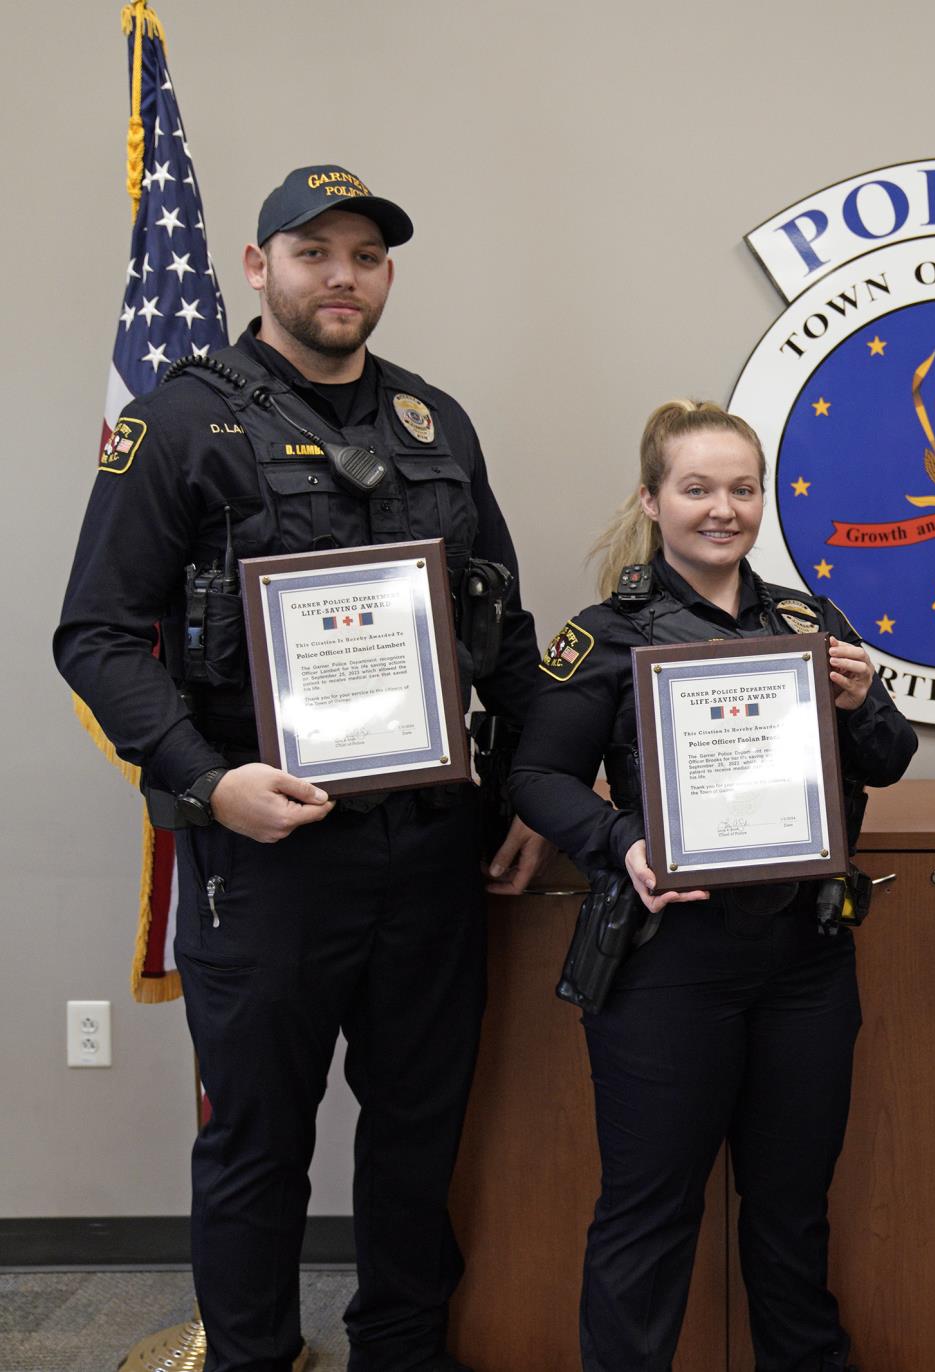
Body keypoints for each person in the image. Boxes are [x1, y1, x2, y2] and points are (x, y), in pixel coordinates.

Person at [54, 165, 549, 1372]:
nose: (342, 276)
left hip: (432, 848)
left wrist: (531, 785)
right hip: (267, 850)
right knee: (259, 1141)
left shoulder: (438, 424)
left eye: (365, 256)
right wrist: (205, 779)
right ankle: (254, 1353)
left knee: (420, 1131)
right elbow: (99, 637)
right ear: (258, 267)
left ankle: (402, 1347)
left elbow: (510, 634)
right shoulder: (176, 423)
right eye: (315, 251)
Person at [509, 400, 916, 1372]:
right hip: (667, 963)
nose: (722, 509)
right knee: (649, 1216)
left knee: (791, 1213)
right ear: (653, 499)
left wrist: (861, 706)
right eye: (697, 488)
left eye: (741, 488)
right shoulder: (605, 633)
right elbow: (535, 779)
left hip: (805, 961)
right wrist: (622, 842)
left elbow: (892, 757)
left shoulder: (809, 622)